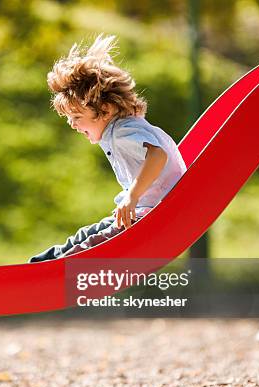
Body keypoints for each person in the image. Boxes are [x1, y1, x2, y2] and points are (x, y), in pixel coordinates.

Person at [29, 35, 187, 263]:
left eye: (76, 116)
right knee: (85, 236)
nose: (71, 124)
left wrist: (131, 198)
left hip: (148, 216)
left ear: (105, 108)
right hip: (141, 211)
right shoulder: (123, 128)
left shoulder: (123, 131)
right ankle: (39, 263)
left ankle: (45, 271)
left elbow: (157, 155)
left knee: (90, 247)